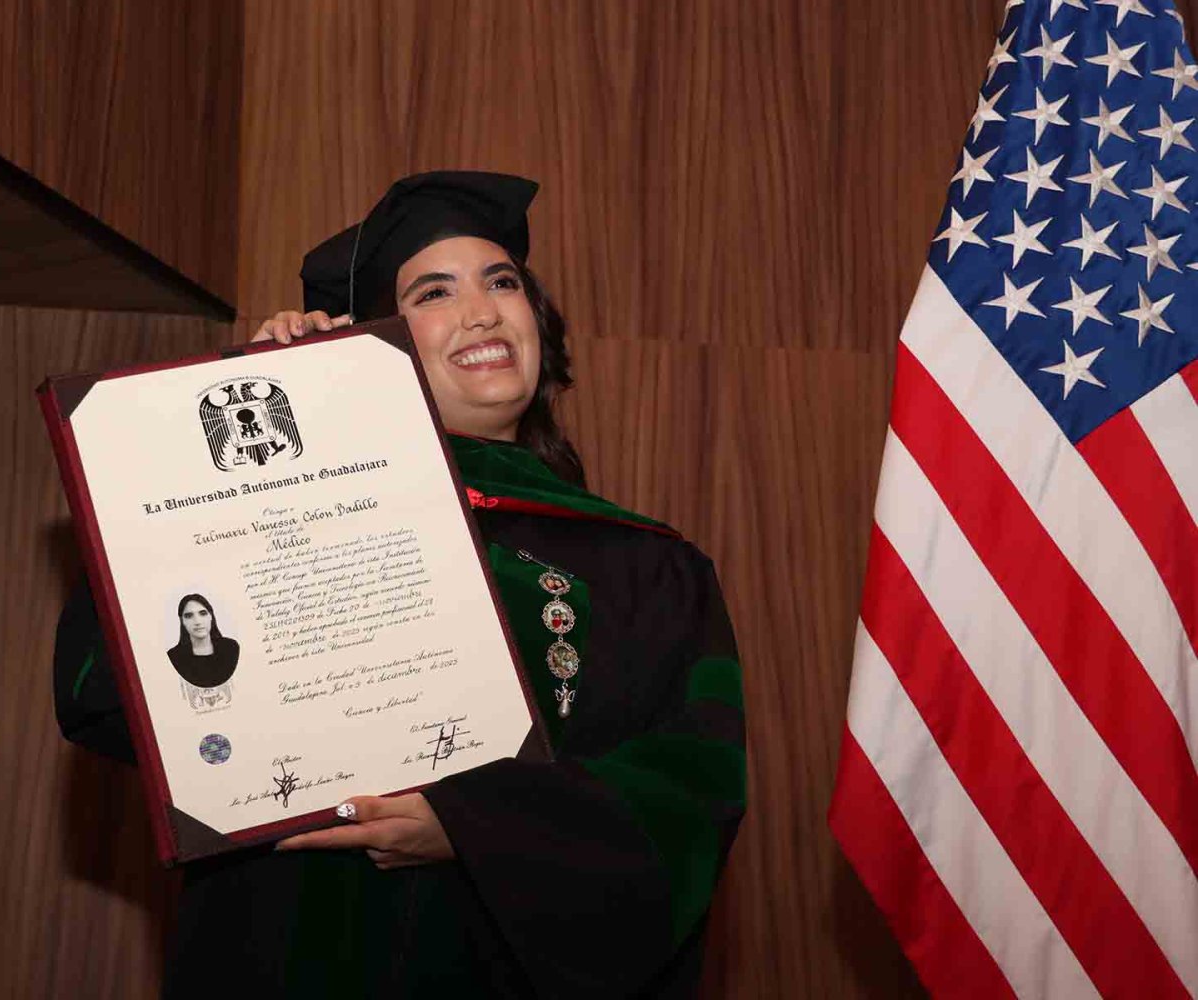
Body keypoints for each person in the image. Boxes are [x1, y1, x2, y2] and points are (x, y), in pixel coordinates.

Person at [53, 171, 746, 998]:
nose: (482, 312)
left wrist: (477, 826)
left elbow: (691, 788)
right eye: (434, 292)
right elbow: (104, 699)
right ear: (374, 341)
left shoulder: (649, 567)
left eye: (502, 282)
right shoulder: (286, 520)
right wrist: (262, 440)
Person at [165, 593, 238, 709]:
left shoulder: (232, 648)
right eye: (189, 616)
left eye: (203, 613)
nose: (197, 621)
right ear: (182, 621)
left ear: (211, 616)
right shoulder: (173, 656)